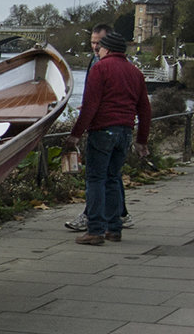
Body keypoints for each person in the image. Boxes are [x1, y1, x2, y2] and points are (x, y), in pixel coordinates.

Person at [64, 31, 151, 245]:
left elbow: (91, 105)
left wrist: (75, 135)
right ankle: (114, 229)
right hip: (125, 132)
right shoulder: (135, 72)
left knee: (95, 179)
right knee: (113, 179)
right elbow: (145, 109)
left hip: (103, 131)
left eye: (99, 48)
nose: (97, 51)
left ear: (108, 49)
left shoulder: (100, 68)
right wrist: (142, 140)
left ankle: (95, 230)